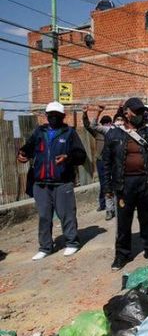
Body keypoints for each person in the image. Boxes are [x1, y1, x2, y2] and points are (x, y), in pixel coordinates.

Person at [17, 101, 87, 260]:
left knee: (66, 214)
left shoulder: (69, 133)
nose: (53, 118)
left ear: (62, 116)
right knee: (44, 216)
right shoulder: (39, 132)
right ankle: (45, 247)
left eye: (57, 115)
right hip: (40, 183)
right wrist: (22, 154)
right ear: (46, 116)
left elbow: (81, 155)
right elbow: (28, 148)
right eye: (51, 115)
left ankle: (72, 243)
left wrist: (68, 157)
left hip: (62, 182)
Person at [103, 97, 148, 271]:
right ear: (127, 112)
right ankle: (122, 254)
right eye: (136, 111)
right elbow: (106, 163)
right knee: (123, 221)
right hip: (124, 184)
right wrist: (107, 187)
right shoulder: (114, 134)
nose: (140, 114)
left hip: (146, 183)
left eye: (141, 111)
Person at [83, 105, 115, 220]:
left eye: (108, 122)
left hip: (113, 161)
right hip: (101, 161)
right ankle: (103, 205)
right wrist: (85, 114)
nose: (107, 124)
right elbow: (87, 126)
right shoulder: (98, 133)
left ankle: (113, 206)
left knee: (115, 182)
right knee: (104, 183)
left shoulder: (114, 133)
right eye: (104, 123)